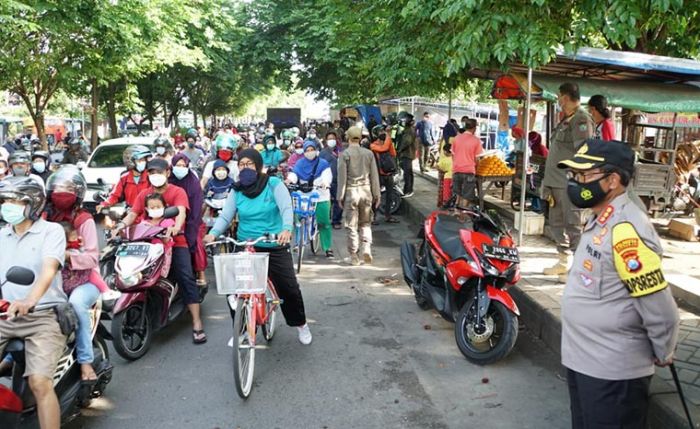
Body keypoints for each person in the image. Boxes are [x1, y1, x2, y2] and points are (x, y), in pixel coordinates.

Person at [557, 139, 679, 428]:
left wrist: (664, 350)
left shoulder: (627, 230)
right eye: (573, 175)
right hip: (583, 361)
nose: (575, 183)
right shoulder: (600, 217)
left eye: (584, 176)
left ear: (613, 180)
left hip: (612, 374)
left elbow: (662, 310)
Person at [203, 148, 312, 344]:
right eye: (242, 165)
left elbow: (286, 208)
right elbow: (226, 216)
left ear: (258, 166)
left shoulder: (273, 184)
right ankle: (242, 330)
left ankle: (301, 324)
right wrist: (212, 234)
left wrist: (286, 229)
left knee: (288, 288)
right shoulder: (236, 190)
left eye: (249, 164)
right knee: (235, 288)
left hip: (273, 242)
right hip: (246, 244)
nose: (245, 168)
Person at [116, 158, 207, 344]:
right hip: (149, 242)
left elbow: (181, 211)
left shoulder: (177, 191)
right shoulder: (144, 194)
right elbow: (133, 214)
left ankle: (197, 323)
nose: (155, 176)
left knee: (186, 276)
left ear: (167, 173)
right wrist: (120, 226)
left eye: (159, 172)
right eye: (151, 173)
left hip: (175, 241)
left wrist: (176, 228)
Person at [0, 176, 66, 429]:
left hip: (43, 315)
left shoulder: (52, 231)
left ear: (33, 204)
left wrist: (30, 300)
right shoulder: (2, 235)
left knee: (39, 382)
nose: (8, 205)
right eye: (6, 200)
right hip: (6, 315)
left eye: (16, 200)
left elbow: (49, 270)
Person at [542, 82, 594, 277]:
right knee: (556, 224)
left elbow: (584, 151)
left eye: (559, 97)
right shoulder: (566, 120)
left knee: (573, 225)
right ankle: (564, 261)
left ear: (564, 97)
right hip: (554, 181)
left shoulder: (581, 119)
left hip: (568, 182)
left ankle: (579, 268)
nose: (558, 102)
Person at [337, 126, 381, 266]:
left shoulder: (344, 154)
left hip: (351, 191)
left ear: (348, 137)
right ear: (360, 138)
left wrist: (340, 196)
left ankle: (354, 255)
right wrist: (377, 194)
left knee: (351, 225)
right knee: (365, 223)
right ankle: (366, 247)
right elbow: (374, 176)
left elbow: (342, 178)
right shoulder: (369, 154)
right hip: (366, 191)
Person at [288, 141, 335, 258]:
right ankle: (298, 242)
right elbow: (294, 175)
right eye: (307, 150)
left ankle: (327, 247)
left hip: (321, 195)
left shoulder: (323, 164)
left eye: (311, 150)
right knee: (298, 219)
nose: (309, 153)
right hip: (304, 195)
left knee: (324, 222)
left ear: (316, 150)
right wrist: (289, 180)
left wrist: (325, 183)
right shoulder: (299, 163)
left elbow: (327, 176)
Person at [170, 153, 207, 286]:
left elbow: (197, 206)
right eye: (177, 165)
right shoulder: (168, 181)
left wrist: (191, 224)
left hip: (193, 220)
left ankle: (201, 272)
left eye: (183, 166)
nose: (180, 168)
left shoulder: (193, 182)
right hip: (171, 221)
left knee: (196, 241)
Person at [96, 145, 151, 213]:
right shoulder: (124, 178)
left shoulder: (150, 177)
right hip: (130, 212)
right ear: (130, 161)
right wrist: (104, 204)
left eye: (144, 160)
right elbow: (115, 195)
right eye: (140, 160)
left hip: (148, 213)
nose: (143, 162)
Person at [369, 125, 399, 223]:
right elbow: (384, 148)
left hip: (388, 174)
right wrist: (388, 135)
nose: (383, 133)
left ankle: (388, 216)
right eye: (381, 131)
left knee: (389, 196)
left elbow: (393, 154)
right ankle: (373, 217)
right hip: (378, 175)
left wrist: (388, 138)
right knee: (375, 196)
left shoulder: (387, 143)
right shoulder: (373, 145)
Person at [451, 119, 483, 208]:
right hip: (469, 170)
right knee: (467, 194)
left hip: (457, 169)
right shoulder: (476, 140)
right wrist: (476, 168)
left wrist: (456, 164)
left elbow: (453, 155)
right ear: (474, 128)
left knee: (457, 193)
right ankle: (462, 213)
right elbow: (477, 159)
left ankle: (456, 210)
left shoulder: (457, 138)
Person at [320, 131, 343, 229]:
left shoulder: (341, 151)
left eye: (333, 138)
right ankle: (325, 220)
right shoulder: (323, 153)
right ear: (326, 140)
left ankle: (336, 220)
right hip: (326, 181)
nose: (331, 140)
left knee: (339, 200)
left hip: (338, 180)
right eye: (329, 139)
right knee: (325, 201)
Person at [395, 116, 418, 197]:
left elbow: (406, 141)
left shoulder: (408, 130)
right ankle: (409, 190)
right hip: (409, 154)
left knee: (407, 173)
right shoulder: (410, 129)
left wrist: (399, 150)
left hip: (407, 154)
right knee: (409, 173)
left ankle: (407, 190)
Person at [437, 144, 453, 208]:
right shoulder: (455, 158)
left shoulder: (444, 159)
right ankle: (452, 204)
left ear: (445, 152)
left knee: (446, 191)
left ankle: (445, 203)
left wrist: (442, 171)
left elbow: (437, 166)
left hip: (447, 177)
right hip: (454, 177)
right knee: (452, 192)